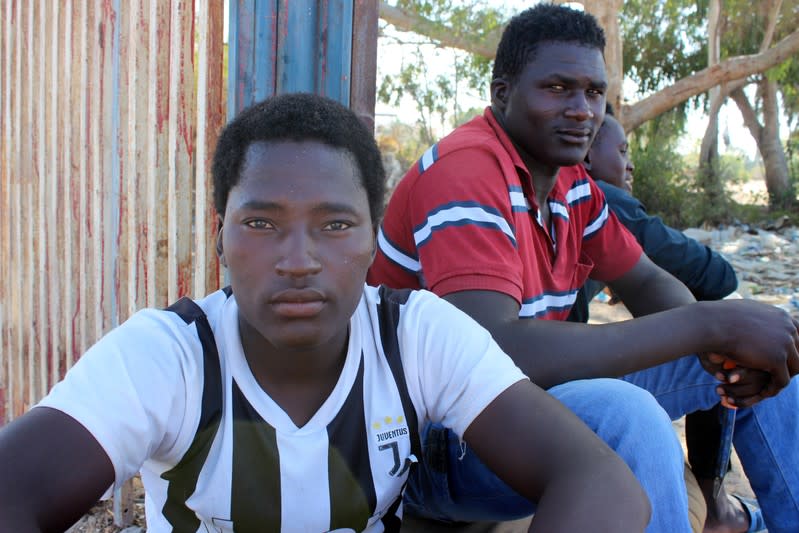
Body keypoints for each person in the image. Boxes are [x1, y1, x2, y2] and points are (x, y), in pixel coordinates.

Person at [0, 93, 652, 532]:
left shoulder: (414, 333)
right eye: (261, 222)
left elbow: (597, 477)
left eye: (334, 224)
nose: (298, 258)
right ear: (220, 235)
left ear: (373, 237)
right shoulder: (170, 355)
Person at [367, 4, 799, 533]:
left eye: (593, 93)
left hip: (519, 410)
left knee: (772, 342)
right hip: (425, 442)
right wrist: (707, 324)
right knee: (627, 414)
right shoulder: (467, 170)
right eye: (557, 88)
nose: (581, 110)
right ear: (502, 94)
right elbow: (492, 349)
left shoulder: (572, 187)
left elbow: (648, 282)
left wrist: (722, 342)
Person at [567, 108, 765, 533]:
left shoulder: (577, 203)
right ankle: (716, 506)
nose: (630, 163)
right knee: (741, 343)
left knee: (741, 340)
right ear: (586, 156)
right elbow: (714, 274)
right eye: (621, 150)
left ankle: (717, 506)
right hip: (557, 396)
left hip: (562, 382)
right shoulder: (602, 198)